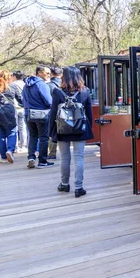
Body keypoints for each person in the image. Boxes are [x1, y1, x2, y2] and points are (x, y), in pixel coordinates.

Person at [49, 66, 93, 197]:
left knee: (65, 158)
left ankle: (64, 184)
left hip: (62, 129)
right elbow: (89, 113)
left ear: (64, 77)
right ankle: (79, 187)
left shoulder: (57, 92)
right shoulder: (85, 91)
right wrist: (88, 127)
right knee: (79, 157)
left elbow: (53, 113)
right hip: (80, 128)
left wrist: (52, 131)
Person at [22, 66, 53, 169]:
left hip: (28, 113)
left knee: (33, 136)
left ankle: (31, 157)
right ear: (39, 72)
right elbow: (49, 101)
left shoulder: (26, 84)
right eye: (47, 73)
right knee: (43, 138)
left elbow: (23, 99)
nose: (49, 75)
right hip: (41, 114)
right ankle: (42, 161)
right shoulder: (41, 84)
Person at [0, 70, 18, 163]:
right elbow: (20, 98)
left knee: (0, 135)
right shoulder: (12, 86)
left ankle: (3, 157)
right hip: (9, 112)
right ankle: (10, 150)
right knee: (12, 132)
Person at [47, 67, 63, 159]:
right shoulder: (65, 84)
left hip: (51, 110)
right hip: (64, 112)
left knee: (52, 131)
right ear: (61, 74)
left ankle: (52, 152)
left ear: (51, 74)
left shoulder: (48, 85)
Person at [10, 71, 26, 152]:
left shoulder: (12, 85)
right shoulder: (25, 84)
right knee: (23, 127)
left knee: (15, 128)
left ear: (15, 76)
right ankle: (24, 145)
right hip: (24, 107)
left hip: (14, 108)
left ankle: (15, 146)